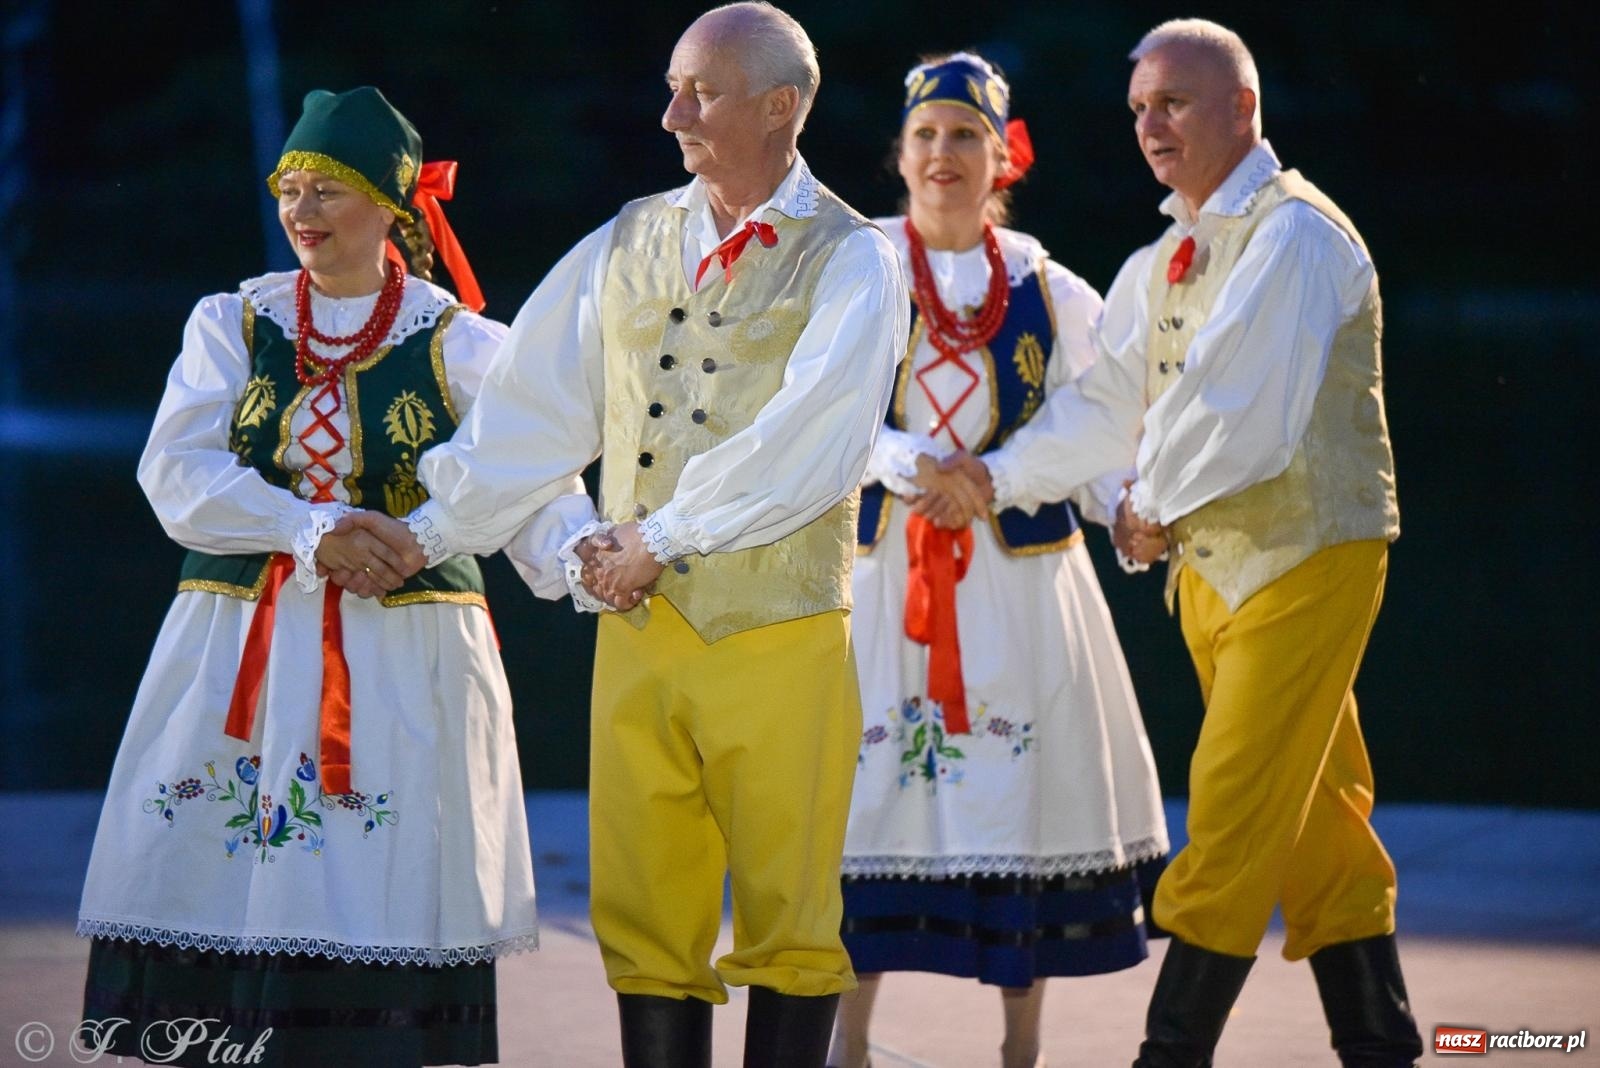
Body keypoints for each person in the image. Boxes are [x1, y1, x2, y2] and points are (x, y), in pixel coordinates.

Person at [336, 4, 907, 1065]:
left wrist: (663, 536)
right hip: (636, 631)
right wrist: (427, 534)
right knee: (645, 913)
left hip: (777, 633)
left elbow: (812, 442)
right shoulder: (629, 237)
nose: (670, 113)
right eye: (672, 85)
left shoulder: (854, 258)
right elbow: (531, 407)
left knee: (789, 917)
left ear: (781, 106)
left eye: (702, 91)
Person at [75, 87, 575, 1067]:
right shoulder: (235, 322)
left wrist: (590, 560)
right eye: (290, 189)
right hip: (242, 644)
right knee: (229, 891)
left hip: (402, 653)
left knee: (377, 888)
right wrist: (313, 531)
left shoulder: (464, 342)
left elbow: (537, 480)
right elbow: (176, 473)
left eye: (327, 191)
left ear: (392, 208)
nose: (301, 211)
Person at [980, 18, 1423, 1068]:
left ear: (1241, 108)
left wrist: (1148, 505)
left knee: (1227, 809)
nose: (1149, 125)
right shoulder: (1157, 260)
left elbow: (1237, 409)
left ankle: (1166, 1054)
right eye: (1138, 109)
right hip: (1210, 573)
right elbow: (1103, 405)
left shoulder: (1299, 237)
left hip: (1309, 554)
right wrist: (998, 479)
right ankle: (1381, 1042)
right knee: (1312, 814)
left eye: (1170, 103)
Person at [824, 53, 1170, 1068]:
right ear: (899, 152)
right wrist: (913, 466)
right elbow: (813, 413)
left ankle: (1021, 1047)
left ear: (1000, 157)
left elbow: (1105, 423)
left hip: (1016, 584)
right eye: (926, 135)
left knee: (1017, 794)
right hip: (887, 575)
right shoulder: (858, 271)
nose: (943, 154)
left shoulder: (1048, 287)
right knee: (866, 790)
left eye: (965, 136)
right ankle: (851, 1040)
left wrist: (1115, 508)